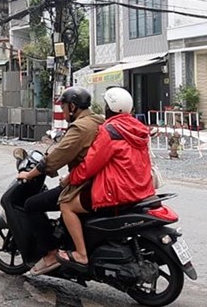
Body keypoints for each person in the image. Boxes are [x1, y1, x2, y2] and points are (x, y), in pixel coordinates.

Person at [56, 87, 155, 273]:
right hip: (142, 189)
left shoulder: (110, 131)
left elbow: (89, 166)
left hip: (117, 191)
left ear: (110, 108)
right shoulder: (138, 128)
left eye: (106, 105)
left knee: (66, 205)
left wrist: (71, 179)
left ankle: (81, 254)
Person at [16, 86, 104, 275]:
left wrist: (29, 174)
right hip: (91, 178)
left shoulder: (80, 127)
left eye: (64, 108)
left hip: (85, 184)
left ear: (72, 106)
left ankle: (50, 252)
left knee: (32, 204)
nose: (63, 113)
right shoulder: (98, 121)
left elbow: (57, 156)